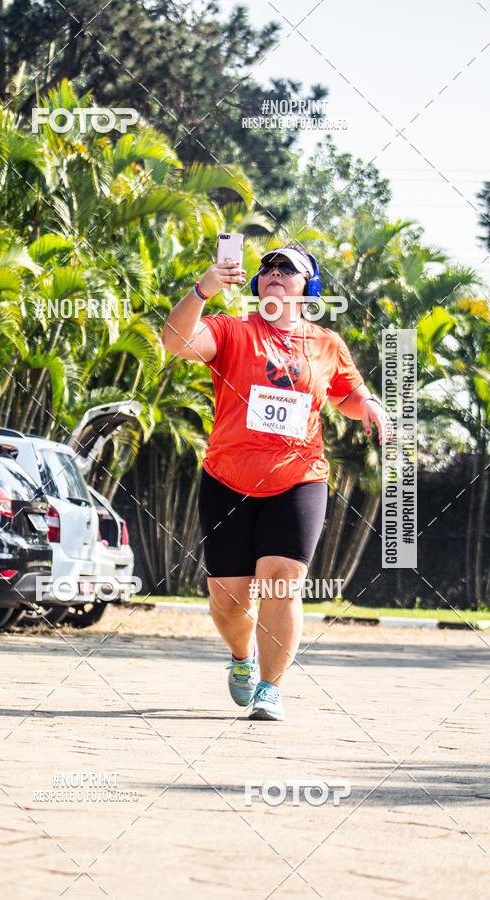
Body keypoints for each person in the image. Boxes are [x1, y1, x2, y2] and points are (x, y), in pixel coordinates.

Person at [162, 245, 389, 721]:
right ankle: (241, 658)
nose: (276, 273)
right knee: (227, 599)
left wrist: (369, 403)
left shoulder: (326, 342)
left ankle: (271, 687)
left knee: (283, 579)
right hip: (227, 478)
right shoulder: (232, 329)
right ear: (256, 283)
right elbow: (176, 343)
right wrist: (203, 289)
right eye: (268, 267)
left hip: (298, 477)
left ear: (309, 288)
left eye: (289, 268)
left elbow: (347, 391)